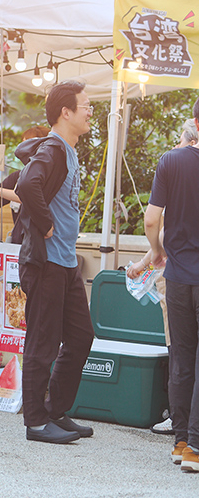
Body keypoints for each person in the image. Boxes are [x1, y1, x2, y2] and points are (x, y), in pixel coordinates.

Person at [13, 79, 95, 444]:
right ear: (66, 112)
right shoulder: (53, 148)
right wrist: (45, 224)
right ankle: (35, 422)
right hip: (45, 261)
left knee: (81, 336)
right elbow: (27, 184)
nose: (91, 111)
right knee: (43, 342)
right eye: (86, 105)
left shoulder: (69, 149)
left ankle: (56, 410)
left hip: (64, 262)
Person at [134, 106, 199, 471]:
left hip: (176, 276)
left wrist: (158, 253)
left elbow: (151, 219)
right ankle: (196, 448)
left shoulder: (171, 161)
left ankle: (181, 442)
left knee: (182, 357)